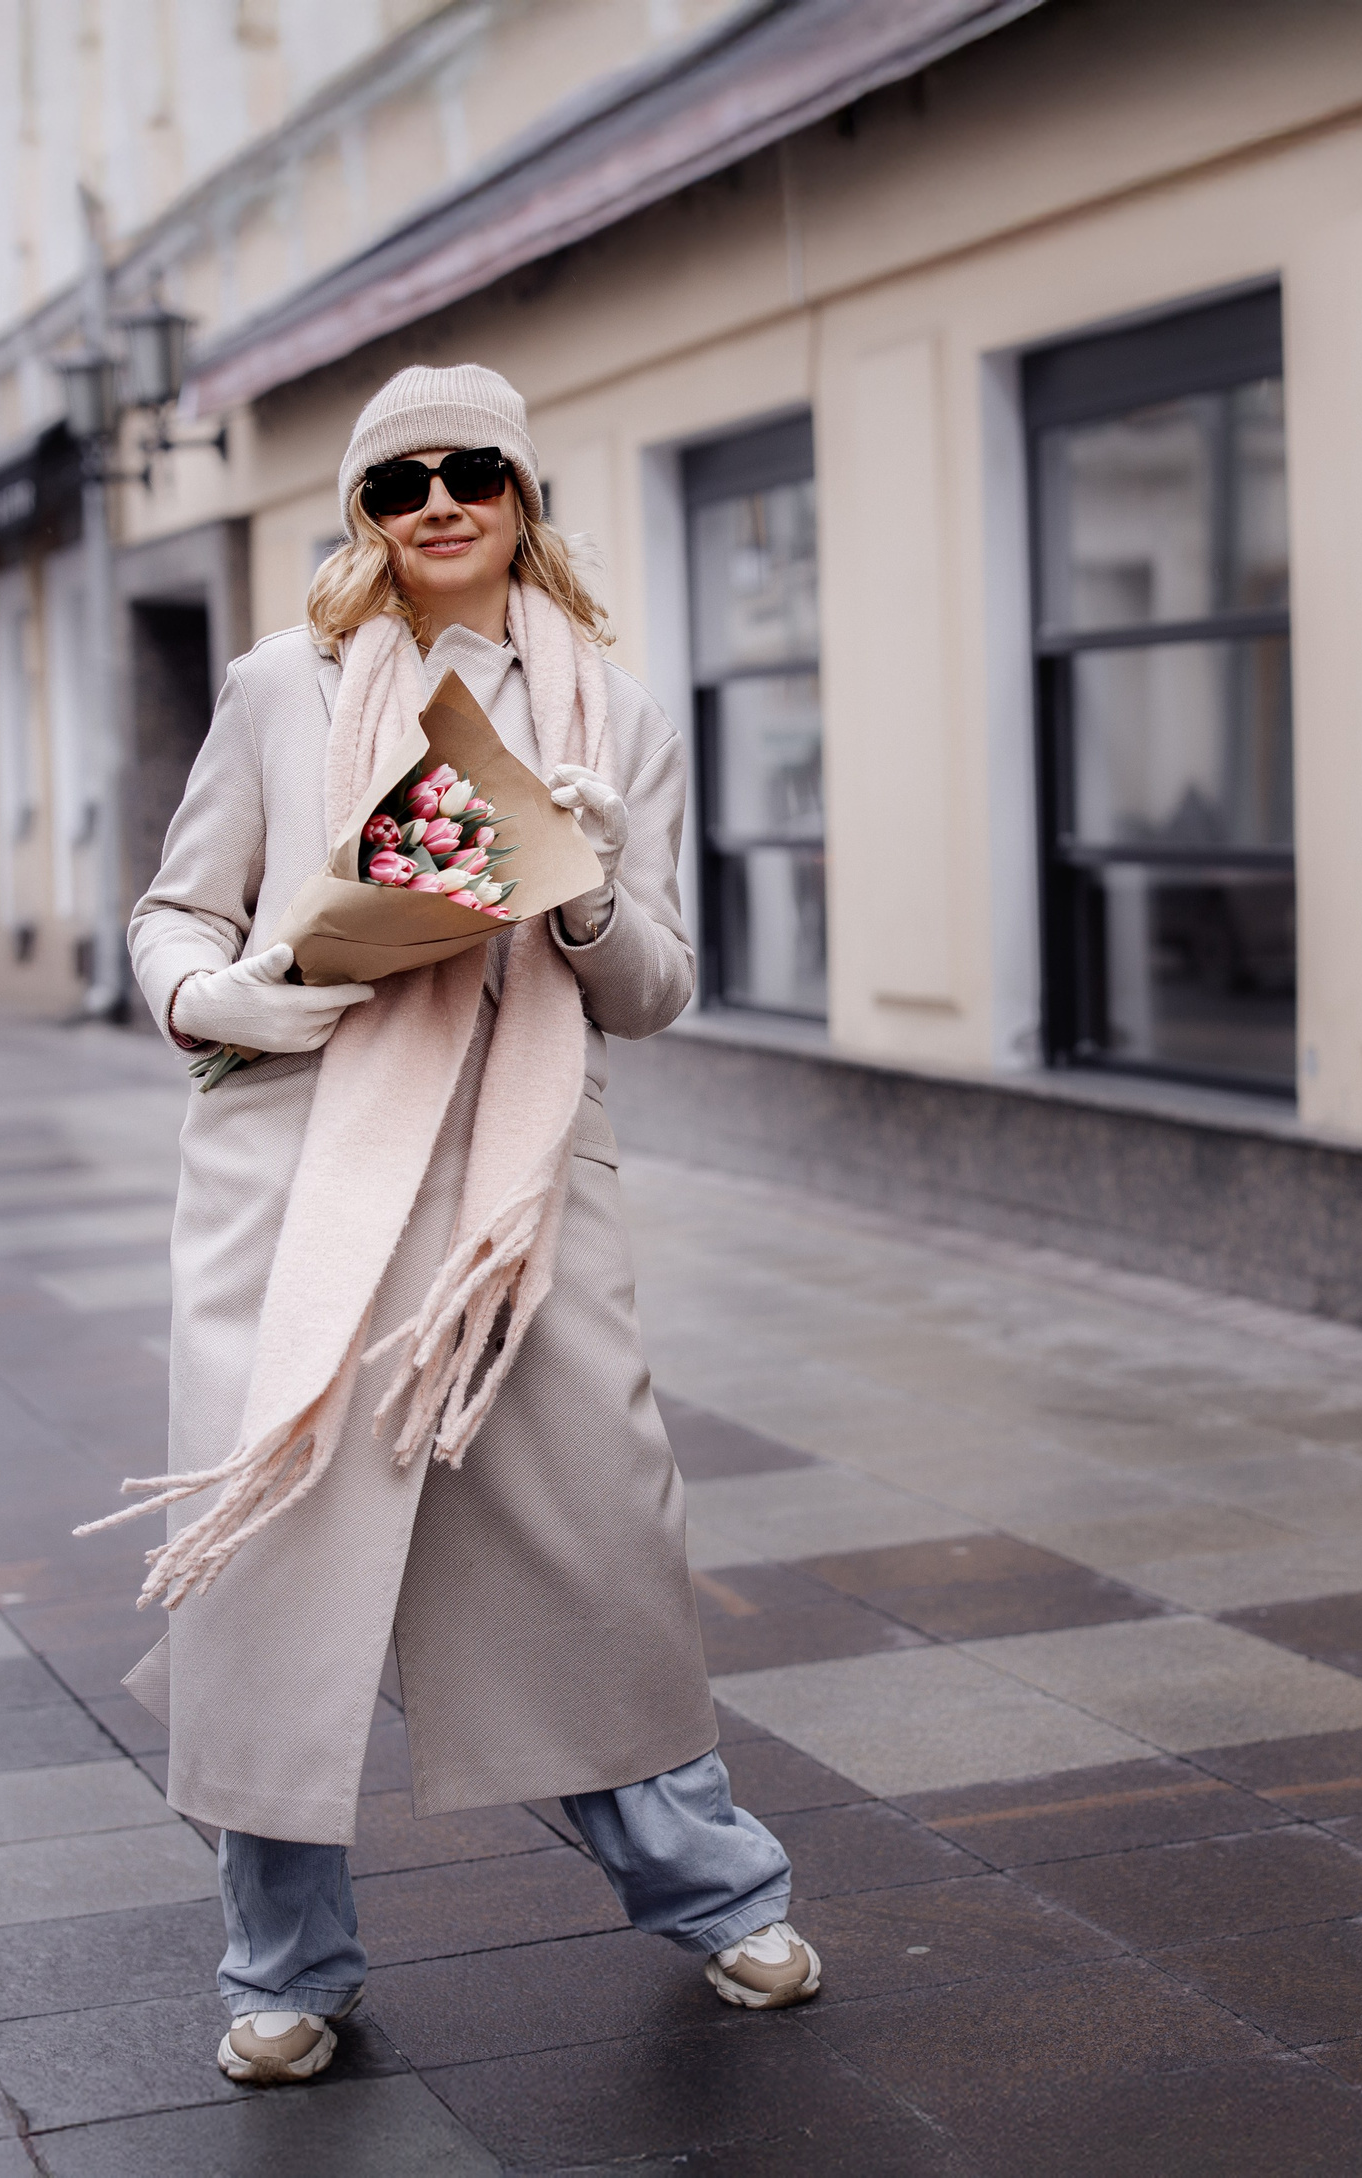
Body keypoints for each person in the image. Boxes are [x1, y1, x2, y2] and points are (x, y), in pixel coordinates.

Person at [110, 363, 819, 2087]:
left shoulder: (613, 714)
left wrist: (577, 896)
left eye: (472, 472)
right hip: (298, 1168)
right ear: (363, 514)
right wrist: (220, 999)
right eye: (398, 480)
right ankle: (281, 1967)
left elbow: (657, 988)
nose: (438, 502)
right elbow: (175, 908)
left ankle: (719, 1892)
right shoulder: (285, 686)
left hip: (516, 1188)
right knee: (278, 1559)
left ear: (523, 495)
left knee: (594, 1541)